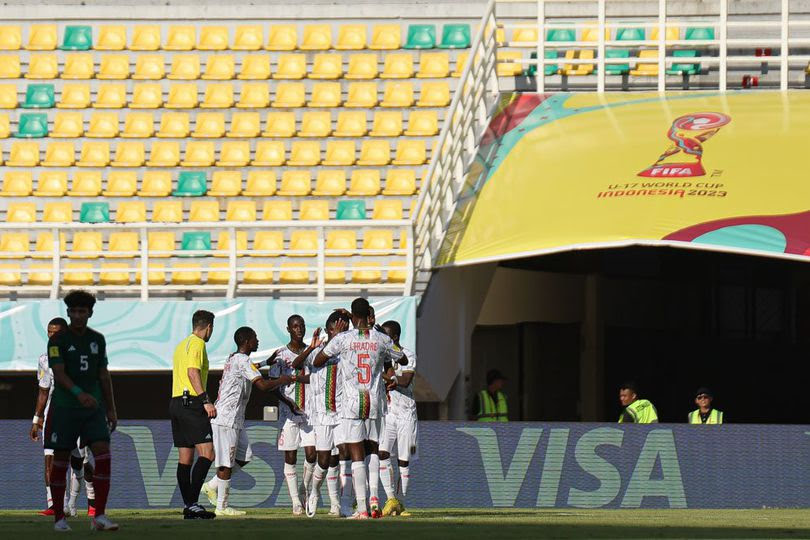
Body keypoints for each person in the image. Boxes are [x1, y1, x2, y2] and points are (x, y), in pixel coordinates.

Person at [313, 298, 402, 519]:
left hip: (352, 403)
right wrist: (382, 336)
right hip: (375, 401)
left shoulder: (343, 339)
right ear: (370, 315)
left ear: (352, 316)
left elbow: (317, 360)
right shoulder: (382, 339)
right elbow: (402, 356)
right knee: (373, 450)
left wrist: (333, 341)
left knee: (356, 456)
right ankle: (374, 499)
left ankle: (361, 508)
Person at [45, 290, 117, 532]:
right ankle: (59, 518)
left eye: (82, 311)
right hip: (65, 408)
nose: (77, 315)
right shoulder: (57, 340)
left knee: (103, 455)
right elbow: (58, 373)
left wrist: (111, 409)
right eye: (73, 311)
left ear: (90, 313)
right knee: (62, 460)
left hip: (93, 409)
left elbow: (103, 375)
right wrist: (79, 393)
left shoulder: (98, 340)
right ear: (68, 312)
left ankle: (99, 516)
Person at [201, 327, 293, 515]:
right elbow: (262, 385)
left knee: (245, 455)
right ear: (246, 341)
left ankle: (212, 485)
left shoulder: (236, 358)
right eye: (255, 338)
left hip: (235, 419)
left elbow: (251, 368)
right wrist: (283, 379)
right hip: (226, 419)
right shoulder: (242, 360)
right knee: (226, 462)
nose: (257, 341)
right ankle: (222, 507)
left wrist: (267, 362)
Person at [293, 311, 350, 518]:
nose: (342, 332)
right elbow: (297, 365)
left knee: (344, 454)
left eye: (344, 328)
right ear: (329, 330)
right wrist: (311, 346)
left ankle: (339, 504)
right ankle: (315, 491)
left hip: (342, 411)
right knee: (324, 461)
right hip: (321, 414)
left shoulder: (346, 349)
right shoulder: (318, 349)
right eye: (338, 328)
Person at [170, 309, 217, 520]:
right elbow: (192, 372)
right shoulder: (198, 343)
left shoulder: (181, 345)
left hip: (176, 402)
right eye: (211, 329)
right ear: (208, 327)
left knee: (185, 459)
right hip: (192, 403)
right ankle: (192, 503)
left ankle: (190, 506)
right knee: (208, 454)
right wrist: (205, 400)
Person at [269, 314, 316, 516]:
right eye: (295, 326)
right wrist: (289, 403)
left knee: (312, 455)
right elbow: (273, 386)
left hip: (310, 412)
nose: (299, 329)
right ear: (288, 329)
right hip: (288, 414)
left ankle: (304, 489)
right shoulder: (280, 355)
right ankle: (296, 502)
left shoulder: (312, 353)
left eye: (302, 325)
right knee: (290, 456)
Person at [379, 320, 417, 517]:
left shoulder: (408, 355)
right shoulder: (382, 357)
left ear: (394, 337)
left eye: (386, 336)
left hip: (407, 415)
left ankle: (401, 503)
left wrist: (384, 376)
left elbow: (405, 380)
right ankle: (391, 498)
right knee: (382, 453)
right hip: (387, 414)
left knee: (405, 460)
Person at [30, 317, 67, 515]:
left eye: (56, 332)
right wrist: (37, 420)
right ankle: (54, 505)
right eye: (49, 332)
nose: (52, 336)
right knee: (49, 458)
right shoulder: (44, 359)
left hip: (74, 413)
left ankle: (90, 502)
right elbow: (43, 391)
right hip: (53, 413)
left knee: (80, 461)